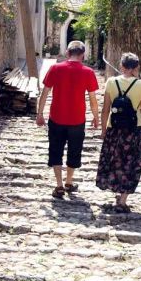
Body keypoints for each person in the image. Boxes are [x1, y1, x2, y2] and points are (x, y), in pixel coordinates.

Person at [36, 41, 100, 198]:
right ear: (83, 55)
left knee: (55, 150)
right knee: (74, 150)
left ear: (67, 53)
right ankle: (69, 182)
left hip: (57, 118)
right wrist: (96, 116)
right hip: (77, 119)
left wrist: (39, 113)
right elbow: (93, 98)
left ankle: (58, 185)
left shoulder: (55, 69)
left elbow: (45, 92)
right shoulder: (88, 72)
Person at [96, 53, 141, 213]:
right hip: (135, 129)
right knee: (131, 162)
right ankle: (123, 198)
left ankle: (115, 187)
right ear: (136, 67)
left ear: (121, 66)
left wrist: (104, 131)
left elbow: (105, 109)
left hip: (115, 128)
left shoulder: (111, 82)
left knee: (115, 159)